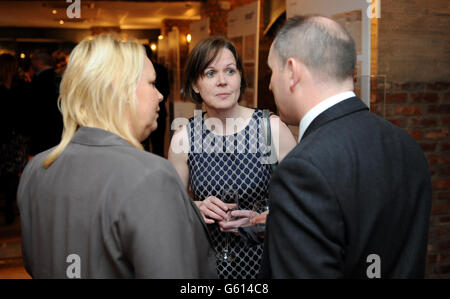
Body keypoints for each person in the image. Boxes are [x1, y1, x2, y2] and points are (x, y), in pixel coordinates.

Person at [17, 33, 216, 279]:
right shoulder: (151, 176)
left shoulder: (36, 169)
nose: (160, 95)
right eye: (152, 84)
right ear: (121, 89)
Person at [260, 15, 432, 278]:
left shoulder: (302, 169)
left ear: (292, 72)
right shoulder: (406, 145)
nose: (270, 83)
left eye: (272, 71)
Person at [168, 36, 296, 279]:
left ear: (240, 78)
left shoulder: (271, 129)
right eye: (210, 73)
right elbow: (171, 210)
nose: (222, 81)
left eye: (230, 71)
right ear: (196, 85)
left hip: (265, 264)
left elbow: (302, 204)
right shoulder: (184, 138)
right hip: (208, 267)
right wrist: (197, 207)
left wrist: (260, 219)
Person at [0, 53, 29, 225]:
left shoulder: (19, 87)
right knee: (12, 175)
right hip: (17, 137)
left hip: (5, 136)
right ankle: (10, 208)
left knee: (6, 175)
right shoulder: (23, 87)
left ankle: (8, 208)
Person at [29, 49, 63, 155]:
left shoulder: (40, 80)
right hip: (55, 129)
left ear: (39, 61)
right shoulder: (56, 77)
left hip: (42, 129)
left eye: (33, 60)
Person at [141, 45, 170, 157]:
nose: (159, 95)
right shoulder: (161, 68)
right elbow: (166, 91)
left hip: (159, 111)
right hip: (160, 110)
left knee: (146, 145)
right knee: (158, 145)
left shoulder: (157, 69)